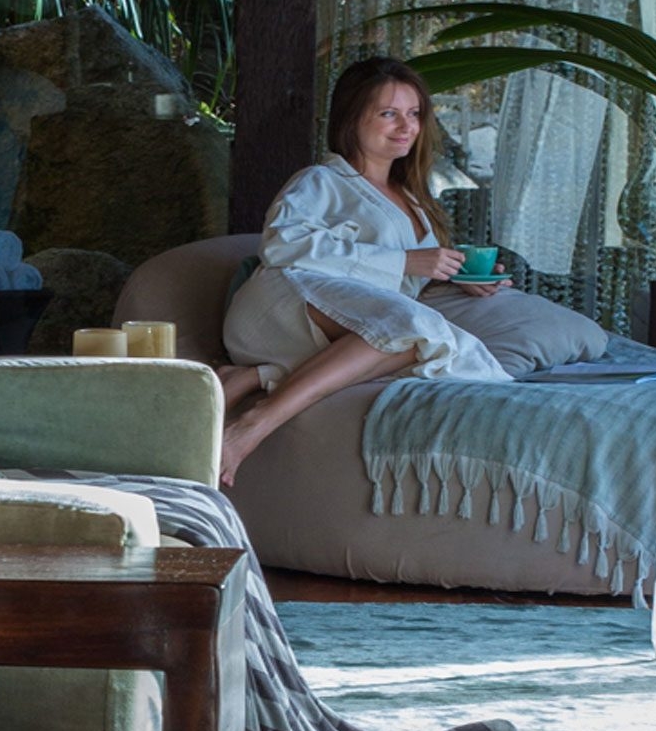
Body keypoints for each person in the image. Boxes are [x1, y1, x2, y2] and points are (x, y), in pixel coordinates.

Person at [218, 56, 511, 485]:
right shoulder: (321, 181)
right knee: (409, 326)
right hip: (282, 302)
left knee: (415, 335)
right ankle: (252, 425)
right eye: (388, 114)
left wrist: (457, 276)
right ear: (353, 118)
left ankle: (258, 375)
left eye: (413, 114)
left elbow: (396, 283)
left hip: (342, 324)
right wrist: (405, 262)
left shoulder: (411, 199)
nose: (406, 126)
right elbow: (282, 244)